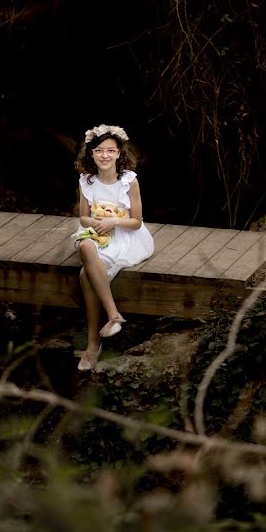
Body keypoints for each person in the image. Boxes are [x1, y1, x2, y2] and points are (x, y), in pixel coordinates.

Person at [72, 124, 154, 371]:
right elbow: (83, 218)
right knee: (85, 246)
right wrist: (97, 223)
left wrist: (113, 221)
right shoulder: (87, 181)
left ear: (119, 153)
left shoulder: (128, 181)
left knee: (85, 274)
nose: (104, 155)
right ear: (91, 154)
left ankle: (93, 343)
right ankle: (113, 314)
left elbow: (136, 221)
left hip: (124, 235)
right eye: (99, 150)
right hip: (96, 232)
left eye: (110, 150)